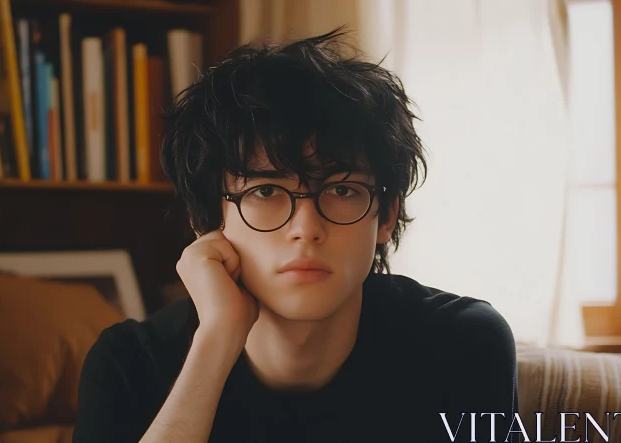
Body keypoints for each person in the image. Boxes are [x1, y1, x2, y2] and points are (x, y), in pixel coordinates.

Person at [73, 28, 519, 443]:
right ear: (208, 218)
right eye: (265, 190)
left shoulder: (462, 345)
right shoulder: (126, 364)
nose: (306, 229)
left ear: (385, 216)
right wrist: (216, 340)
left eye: (343, 189)